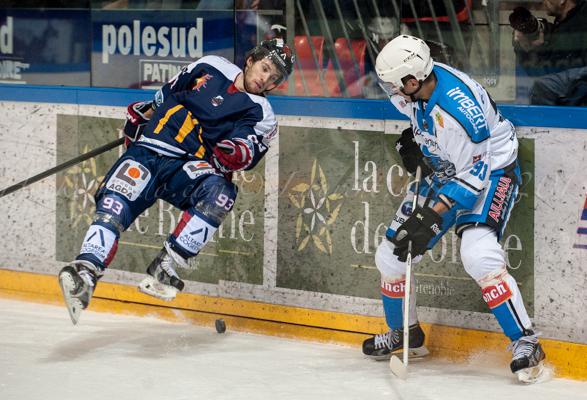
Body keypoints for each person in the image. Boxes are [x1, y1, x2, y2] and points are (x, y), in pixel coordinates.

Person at [58, 39, 295, 324]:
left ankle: (166, 264)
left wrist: (235, 151)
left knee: (221, 193)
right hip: (149, 150)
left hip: (188, 166)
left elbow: (248, 150)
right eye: (264, 68)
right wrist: (141, 119)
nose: (265, 79)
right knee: (113, 206)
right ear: (251, 60)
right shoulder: (211, 66)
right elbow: (165, 95)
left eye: (274, 78)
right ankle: (85, 274)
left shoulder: (262, 113)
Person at [362, 35, 546, 383]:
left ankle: (526, 342)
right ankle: (407, 335)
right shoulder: (420, 85)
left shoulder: (458, 114)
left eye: (392, 85)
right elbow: (427, 128)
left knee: (478, 254)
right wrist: (415, 142)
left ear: (412, 82)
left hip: (490, 171)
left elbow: (473, 175)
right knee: (391, 255)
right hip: (449, 168)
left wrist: (432, 216)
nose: (389, 90)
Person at [512, 0, 587, 77]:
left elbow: (547, 78)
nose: (543, 1)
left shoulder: (575, 30)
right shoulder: (569, 22)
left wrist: (527, 49)